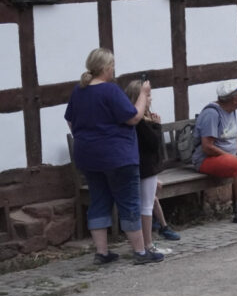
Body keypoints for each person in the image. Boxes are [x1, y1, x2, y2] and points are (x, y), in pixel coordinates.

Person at [65, 48, 164, 264]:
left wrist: (87, 137)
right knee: (129, 203)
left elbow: (71, 120)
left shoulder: (78, 91)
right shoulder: (110, 91)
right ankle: (140, 252)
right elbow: (134, 117)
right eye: (112, 66)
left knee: (99, 200)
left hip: (88, 156)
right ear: (106, 67)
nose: (113, 70)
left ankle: (101, 253)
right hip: (117, 156)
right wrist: (143, 95)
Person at [191, 80, 237, 224]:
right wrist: (232, 157)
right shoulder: (212, 114)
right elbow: (207, 147)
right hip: (206, 159)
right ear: (235, 98)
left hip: (226, 155)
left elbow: (233, 135)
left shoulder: (231, 110)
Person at [124, 78, 169, 254]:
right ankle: (147, 245)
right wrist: (157, 127)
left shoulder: (132, 119)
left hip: (141, 168)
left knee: (143, 204)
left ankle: (142, 244)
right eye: (148, 95)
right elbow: (153, 143)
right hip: (146, 168)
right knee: (146, 206)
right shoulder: (140, 121)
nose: (150, 99)